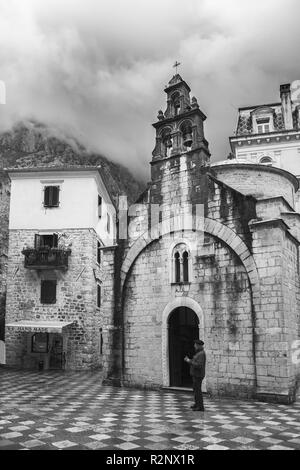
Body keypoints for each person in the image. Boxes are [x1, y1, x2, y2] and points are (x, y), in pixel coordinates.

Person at [184, 339, 206, 411]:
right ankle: (197, 404)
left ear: (199, 346)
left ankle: (200, 407)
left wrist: (189, 361)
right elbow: (195, 362)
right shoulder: (199, 353)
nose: (194, 346)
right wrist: (190, 360)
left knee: (198, 391)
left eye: (195, 345)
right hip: (195, 375)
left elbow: (199, 365)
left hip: (198, 375)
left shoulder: (201, 354)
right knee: (196, 390)